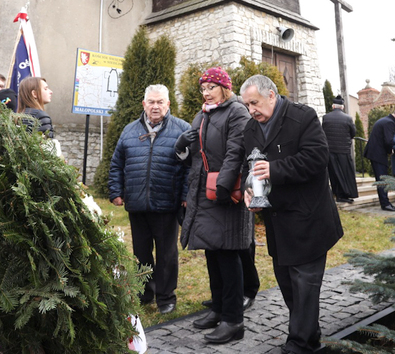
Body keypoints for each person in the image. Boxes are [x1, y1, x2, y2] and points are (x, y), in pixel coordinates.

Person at [240, 74, 343, 354]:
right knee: (288, 285)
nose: (251, 110)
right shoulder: (250, 129)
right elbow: (245, 167)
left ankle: (298, 344)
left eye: (255, 103)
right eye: (247, 105)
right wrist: (248, 190)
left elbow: (318, 157)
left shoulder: (303, 117)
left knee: (305, 286)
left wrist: (275, 169)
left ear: (271, 95)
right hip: (277, 223)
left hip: (308, 219)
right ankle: (310, 338)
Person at [174, 67, 252, 344]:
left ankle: (233, 320)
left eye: (211, 87)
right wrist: (181, 145)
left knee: (228, 255)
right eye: (203, 88)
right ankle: (218, 308)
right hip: (203, 192)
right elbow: (192, 156)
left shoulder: (237, 111)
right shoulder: (203, 114)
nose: (206, 93)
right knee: (212, 252)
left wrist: (223, 185)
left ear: (225, 88)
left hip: (224, 192)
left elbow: (237, 151)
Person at [108, 84, 190, 314]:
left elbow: (190, 168)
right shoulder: (130, 130)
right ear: (144, 104)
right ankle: (144, 292)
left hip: (167, 202)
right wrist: (115, 191)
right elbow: (117, 164)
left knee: (166, 254)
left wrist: (185, 196)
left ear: (168, 104)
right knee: (140, 252)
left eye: (160, 102)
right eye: (151, 102)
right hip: (137, 203)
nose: (155, 106)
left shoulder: (182, 130)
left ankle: (166, 297)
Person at [321, 95, 359, 203]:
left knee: (334, 174)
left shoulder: (326, 117)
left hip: (331, 150)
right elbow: (353, 133)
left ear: (333, 106)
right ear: (342, 107)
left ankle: (338, 194)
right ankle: (347, 194)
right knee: (346, 173)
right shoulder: (348, 118)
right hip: (344, 150)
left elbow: (322, 132)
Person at [364, 108, 395, 212]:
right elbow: (388, 141)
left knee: (381, 179)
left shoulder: (384, 120)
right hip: (378, 154)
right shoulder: (390, 122)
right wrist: (391, 150)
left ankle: (385, 202)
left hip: (375, 153)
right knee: (382, 180)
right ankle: (385, 204)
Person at [17, 76, 62, 157]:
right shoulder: (40, 116)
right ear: (34, 93)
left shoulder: (18, 115)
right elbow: (49, 150)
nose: (50, 91)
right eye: (45, 89)